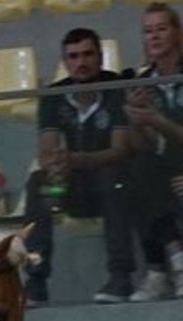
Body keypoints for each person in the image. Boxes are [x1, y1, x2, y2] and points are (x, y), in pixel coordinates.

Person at [24, 27, 135, 305]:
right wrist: (55, 167)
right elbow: (47, 149)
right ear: (65, 61)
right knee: (40, 184)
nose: (81, 62)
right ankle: (36, 279)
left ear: (100, 57)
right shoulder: (53, 96)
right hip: (69, 189)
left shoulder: (116, 88)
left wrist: (75, 159)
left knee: (113, 177)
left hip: (107, 187)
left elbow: (120, 150)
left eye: (87, 54)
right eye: (73, 57)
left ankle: (121, 276)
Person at [125, 2, 183, 301]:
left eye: (161, 29)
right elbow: (146, 147)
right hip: (168, 170)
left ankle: (176, 268)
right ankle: (170, 265)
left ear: (177, 33)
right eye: (147, 31)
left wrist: (158, 120)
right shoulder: (144, 81)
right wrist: (138, 120)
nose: (153, 36)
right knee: (137, 169)